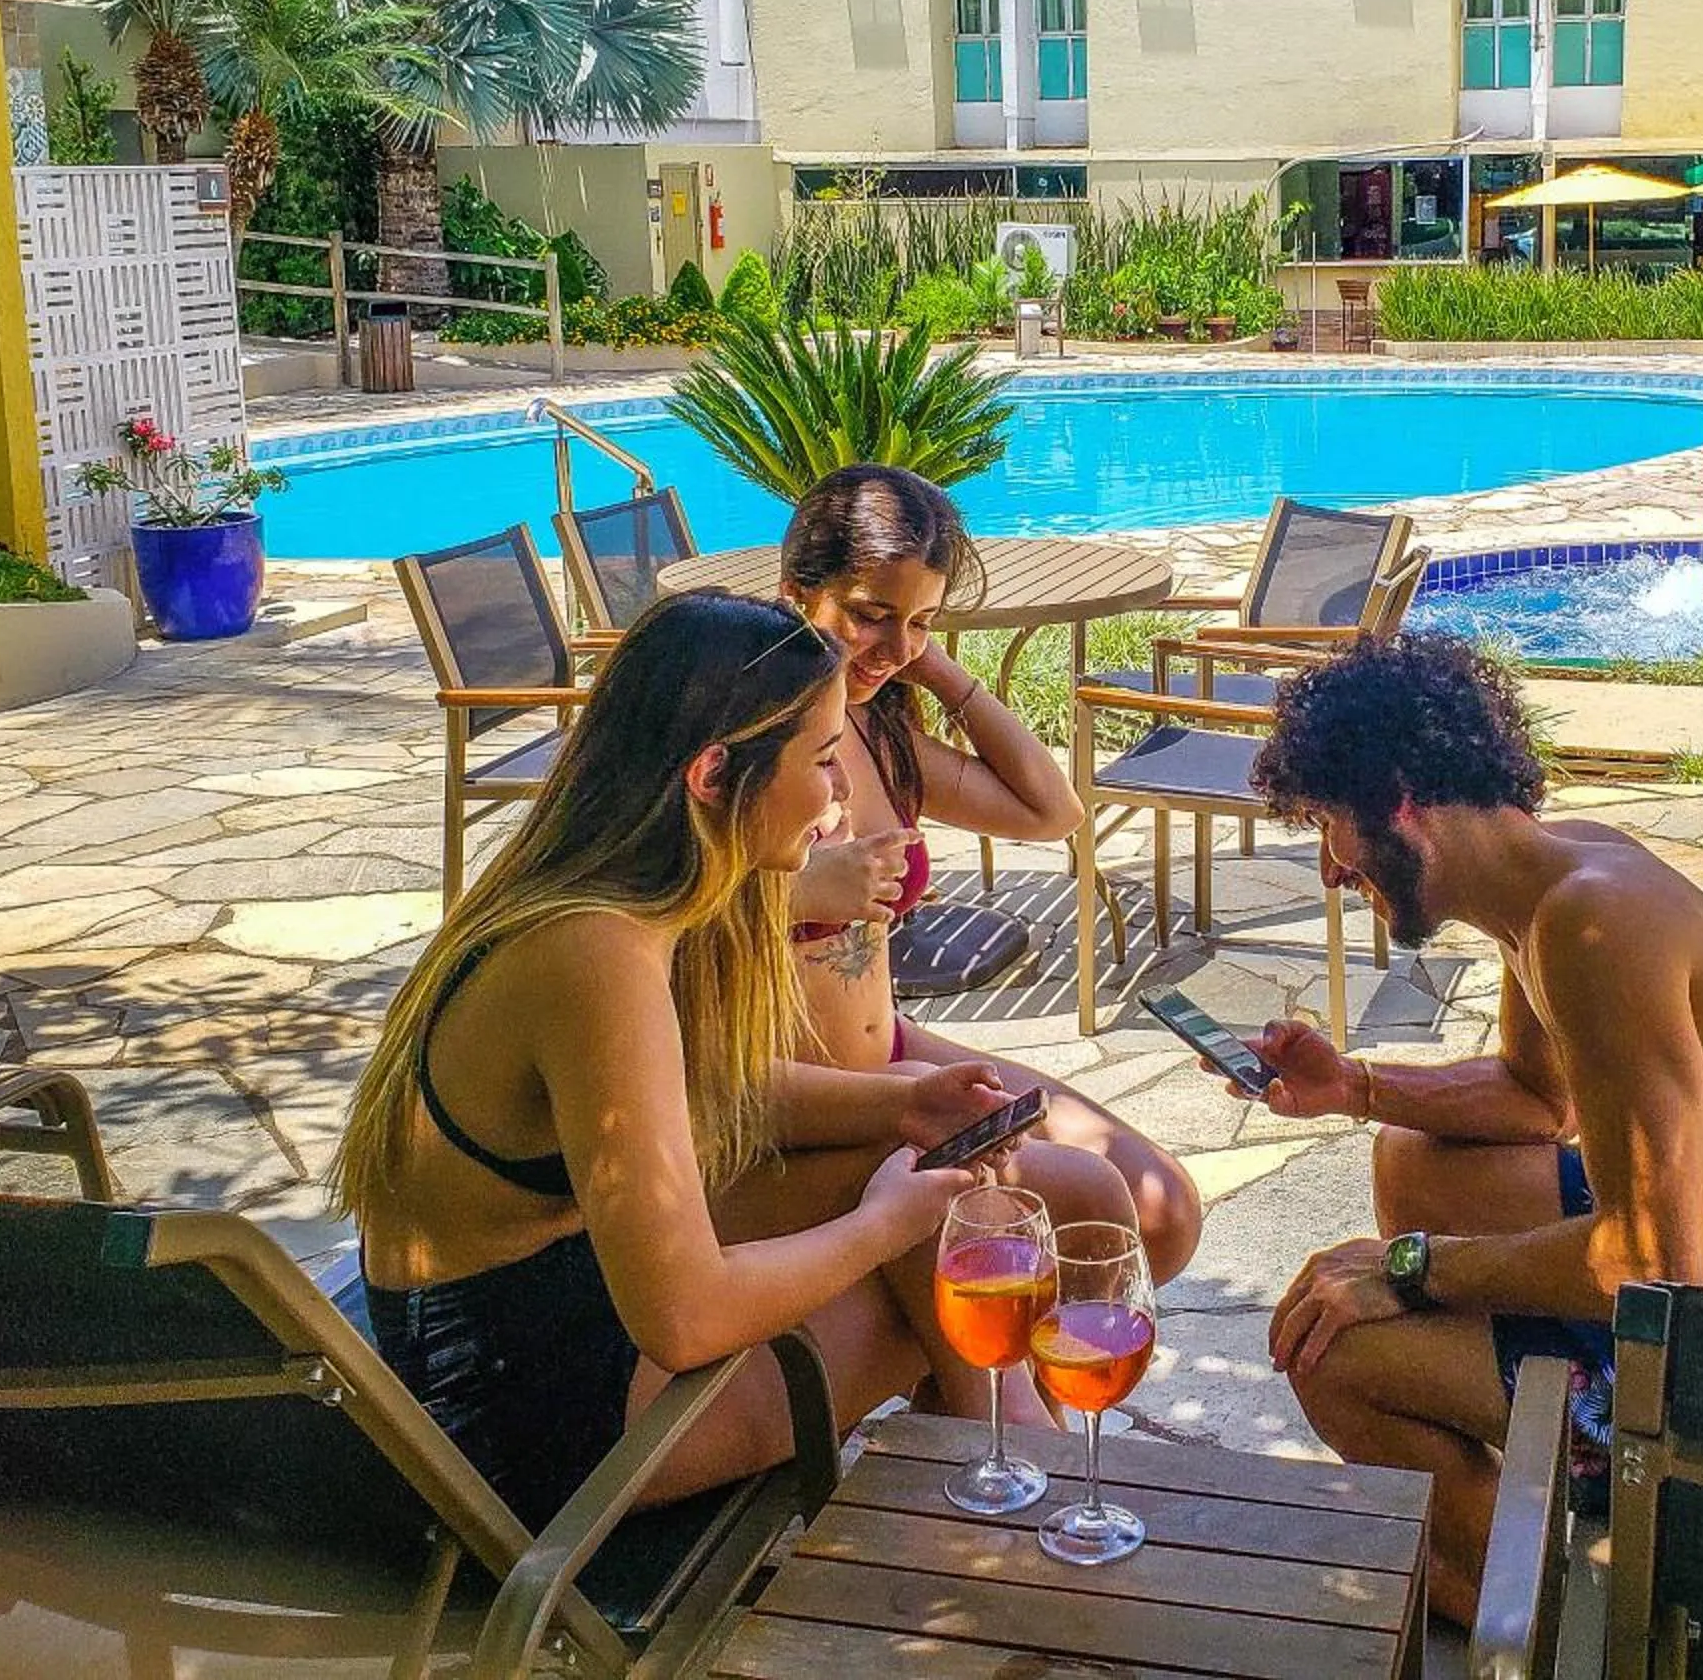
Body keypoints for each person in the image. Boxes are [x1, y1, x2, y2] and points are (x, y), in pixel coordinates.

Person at [336, 591, 1117, 1529]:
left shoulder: (611, 897)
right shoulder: (593, 953)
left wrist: (901, 1107)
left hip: (560, 1299)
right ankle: (1024, 1484)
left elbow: (688, 1094)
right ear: (713, 773)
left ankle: (1007, 1474)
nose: (838, 798)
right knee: (945, 1278)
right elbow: (687, 1320)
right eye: (822, 762)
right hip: (523, 1419)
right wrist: (882, 1225)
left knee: (935, 1180)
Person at [1240, 633, 1703, 1629]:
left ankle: (1537, 1624)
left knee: (1327, 1352)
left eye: (1329, 824)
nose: (1333, 870)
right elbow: (1533, 1101)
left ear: (1399, 802)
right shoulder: (1554, 883)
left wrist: (1412, 1269)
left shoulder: (1594, 928)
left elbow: (1652, 1267)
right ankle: (1538, 1479)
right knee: (1416, 1161)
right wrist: (1356, 1086)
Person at [776, 463, 1204, 1284]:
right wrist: (799, 890)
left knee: (1165, 1207)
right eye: (871, 615)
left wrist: (935, 669)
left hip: (890, 1047)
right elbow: (655, 921)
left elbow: (1050, 811)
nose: (896, 646)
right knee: (1097, 1213)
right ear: (797, 594)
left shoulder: (873, 730)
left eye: (922, 621)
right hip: (813, 1096)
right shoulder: (745, 739)